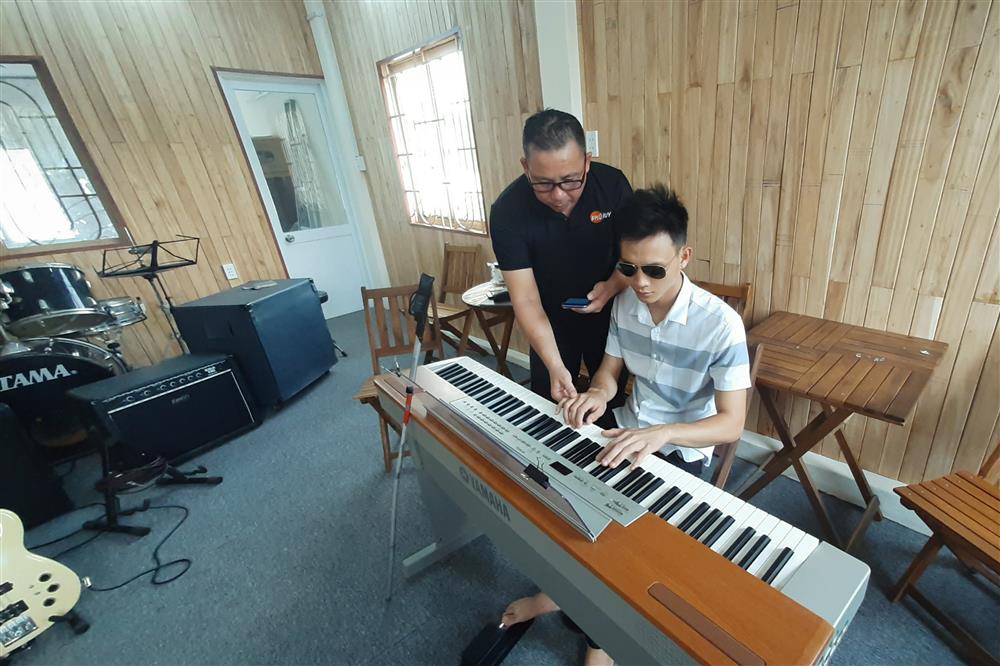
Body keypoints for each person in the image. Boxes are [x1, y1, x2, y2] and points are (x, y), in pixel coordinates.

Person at [500, 185, 752, 666]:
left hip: (681, 448)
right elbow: (610, 374)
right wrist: (596, 394)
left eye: (655, 270)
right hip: (628, 428)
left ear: (685, 256)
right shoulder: (626, 304)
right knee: (561, 495)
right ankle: (562, 593)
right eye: (628, 268)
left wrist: (663, 434)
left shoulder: (720, 325)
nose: (640, 283)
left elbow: (731, 424)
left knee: (617, 544)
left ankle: (597, 638)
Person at [490, 109, 632, 405]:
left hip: (610, 316)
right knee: (549, 401)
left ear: (587, 162)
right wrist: (556, 367)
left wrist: (612, 286)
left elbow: (633, 259)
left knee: (608, 401)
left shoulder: (613, 186)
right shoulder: (507, 211)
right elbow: (526, 299)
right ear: (525, 167)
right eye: (542, 183)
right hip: (548, 320)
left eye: (570, 181)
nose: (558, 195)